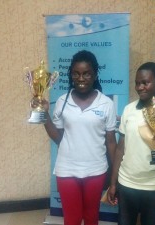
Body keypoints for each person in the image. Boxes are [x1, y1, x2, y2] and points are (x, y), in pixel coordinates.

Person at [40, 50, 117, 225]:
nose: (81, 78)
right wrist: (45, 116)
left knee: (91, 218)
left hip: (96, 170)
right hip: (67, 169)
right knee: (72, 220)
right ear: (71, 75)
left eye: (86, 73)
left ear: (94, 74)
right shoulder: (62, 101)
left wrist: (114, 176)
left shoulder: (106, 104)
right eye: (76, 73)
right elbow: (58, 138)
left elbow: (111, 142)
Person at [107, 62, 155, 225]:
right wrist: (113, 183)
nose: (140, 87)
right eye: (137, 83)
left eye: (145, 82)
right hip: (127, 181)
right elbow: (120, 149)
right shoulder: (129, 110)